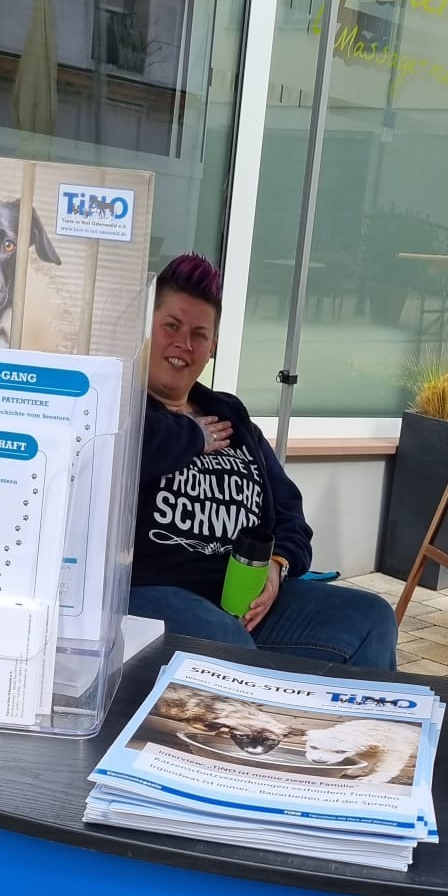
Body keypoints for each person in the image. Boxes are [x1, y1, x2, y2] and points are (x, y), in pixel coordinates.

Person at [129, 254, 398, 669]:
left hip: (245, 602)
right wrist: (192, 435)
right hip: (153, 593)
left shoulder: (230, 416)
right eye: (171, 326)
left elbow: (290, 514)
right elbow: (130, 453)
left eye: (200, 334)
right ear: (147, 328)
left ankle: (346, 728)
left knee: (371, 620)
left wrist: (276, 567)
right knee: (225, 642)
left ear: (213, 348)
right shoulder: (124, 408)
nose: (184, 343)